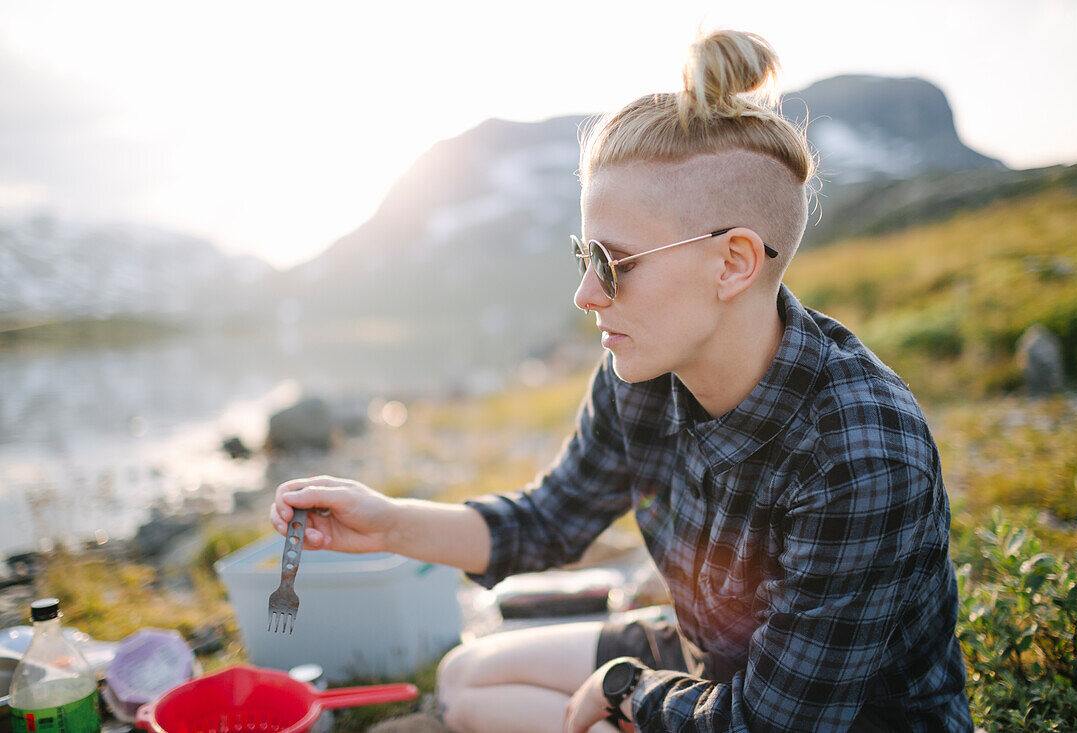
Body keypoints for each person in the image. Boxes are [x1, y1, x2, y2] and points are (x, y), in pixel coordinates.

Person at [270, 29, 973, 733]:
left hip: (830, 719)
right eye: (585, 254)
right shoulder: (640, 377)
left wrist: (627, 688)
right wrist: (386, 522)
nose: (584, 294)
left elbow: (768, 724)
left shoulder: (860, 453)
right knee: (462, 680)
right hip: (714, 658)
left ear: (733, 264)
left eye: (613, 262)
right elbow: (547, 520)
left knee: (567, 714)